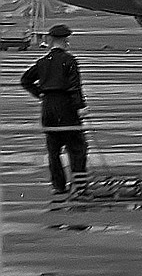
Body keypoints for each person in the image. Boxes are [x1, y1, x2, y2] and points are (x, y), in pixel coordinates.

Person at [20, 23, 90, 197]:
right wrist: (80, 107)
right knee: (77, 148)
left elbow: (25, 80)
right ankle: (79, 186)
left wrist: (40, 94)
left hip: (48, 108)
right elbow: (75, 87)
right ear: (65, 40)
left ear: (51, 41)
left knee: (53, 150)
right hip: (65, 107)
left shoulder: (42, 62)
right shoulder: (69, 61)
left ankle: (58, 186)